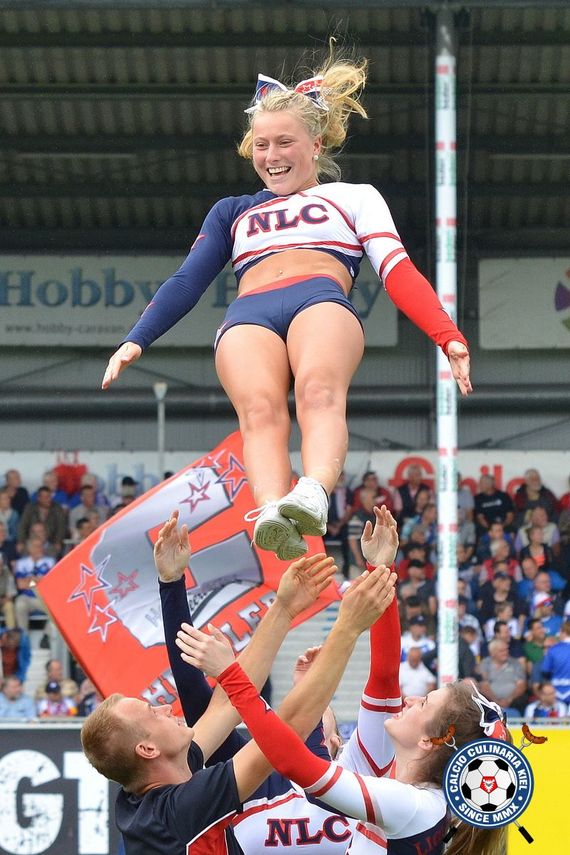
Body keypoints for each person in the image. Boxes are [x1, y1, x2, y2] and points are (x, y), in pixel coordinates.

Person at [101, 46, 471, 562]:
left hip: (319, 300)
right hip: (248, 314)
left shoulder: (354, 196)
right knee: (259, 412)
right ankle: (274, 511)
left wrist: (446, 334)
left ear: (315, 145)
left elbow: (397, 270)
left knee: (318, 390)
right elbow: (188, 279)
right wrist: (135, 338)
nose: (270, 156)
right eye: (260, 144)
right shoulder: (232, 211)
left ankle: (314, 491)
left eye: (284, 143)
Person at [81, 511, 397, 854]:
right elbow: (286, 732)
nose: (161, 705)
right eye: (150, 712)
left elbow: (223, 705)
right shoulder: (182, 808)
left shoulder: (147, 786)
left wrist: (283, 609)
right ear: (147, 750)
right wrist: (347, 627)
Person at [182, 606, 514, 854]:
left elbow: (293, 761)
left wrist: (230, 673)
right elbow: (385, 679)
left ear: (429, 741)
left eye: (425, 703)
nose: (411, 699)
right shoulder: (420, 800)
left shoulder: (411, 804)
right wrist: (382, 568)